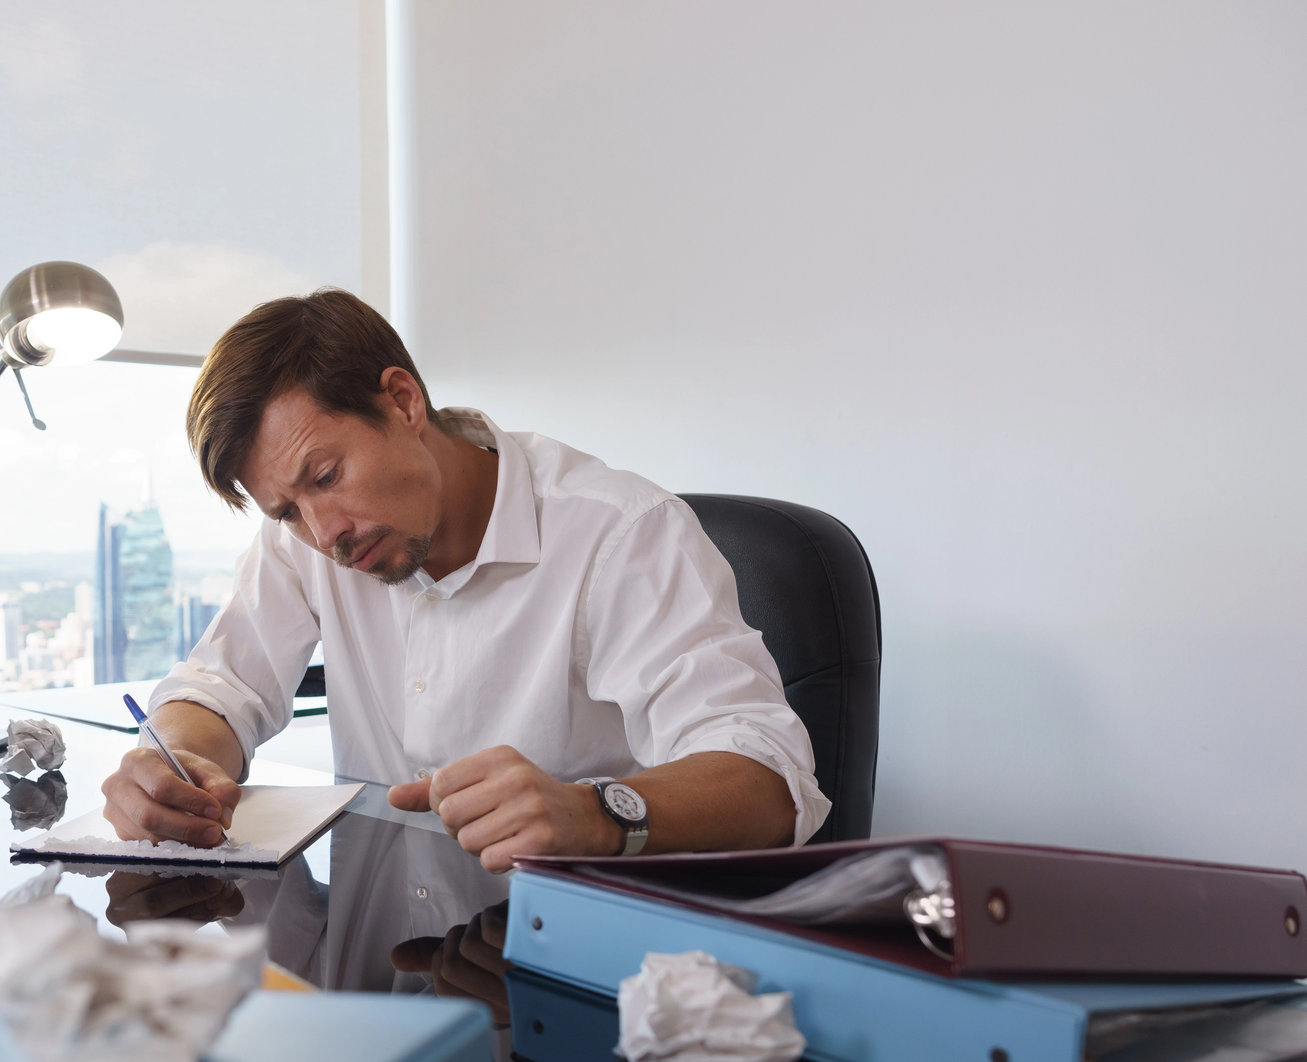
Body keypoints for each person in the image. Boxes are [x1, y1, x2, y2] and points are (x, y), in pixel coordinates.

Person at [102, 288, 828, 871]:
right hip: (384, 967)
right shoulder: (308, 540)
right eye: (288, 509)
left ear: (404, 402)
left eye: (326, 476)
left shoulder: (619, 533)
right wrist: (174, 760)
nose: (325, 533)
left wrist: (594, 811)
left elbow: (771, 779)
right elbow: (218, 689)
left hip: (575, 963)